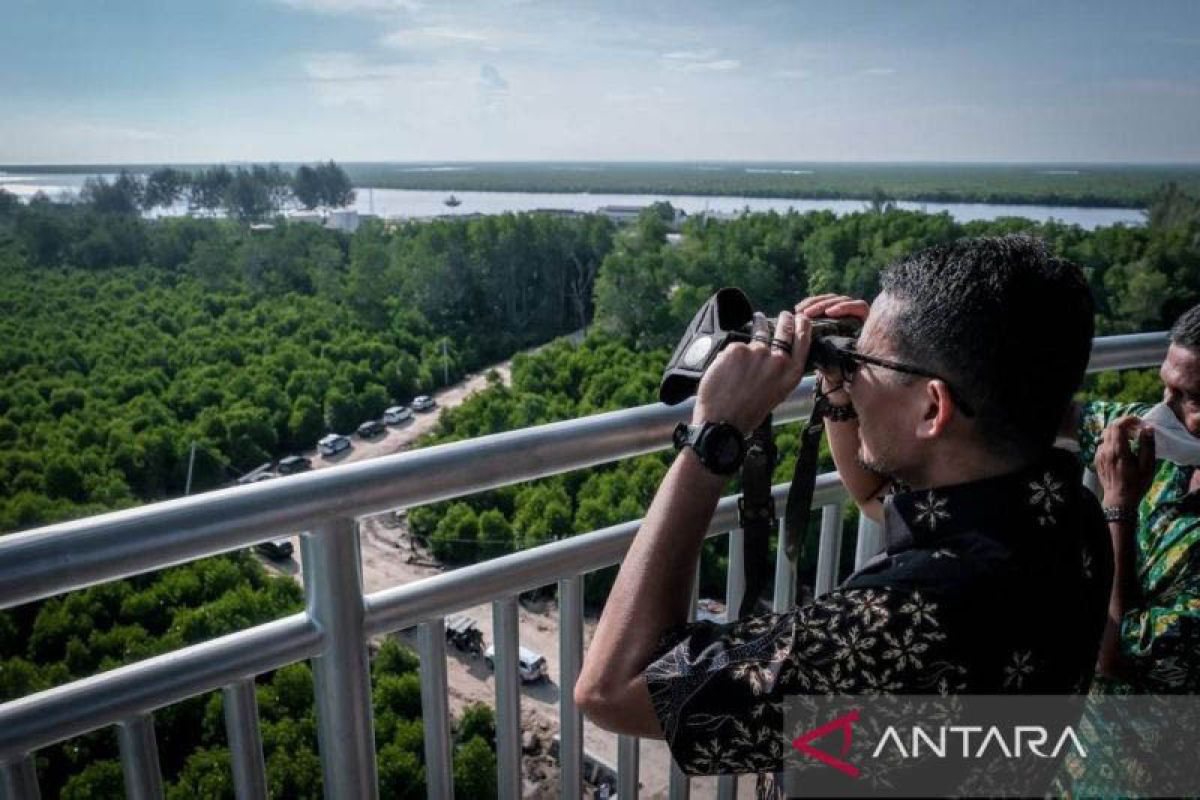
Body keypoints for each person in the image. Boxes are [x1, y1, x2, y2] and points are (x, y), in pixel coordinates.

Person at [574, 236, 1112, 780]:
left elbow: (612, 688)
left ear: (932, 406)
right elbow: (875, 497)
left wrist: (714, 437)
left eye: (863, 361)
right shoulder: (1075, 519)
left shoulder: (895, 625)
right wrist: (842, 381)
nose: (852, 372)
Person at [1064, 303, 1200, 692]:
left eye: (1190, 397)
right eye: (1166, 386)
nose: (1163, 410)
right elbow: (1057, 416)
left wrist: (1119, 507)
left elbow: (1115, 653)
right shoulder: (1167, 442)